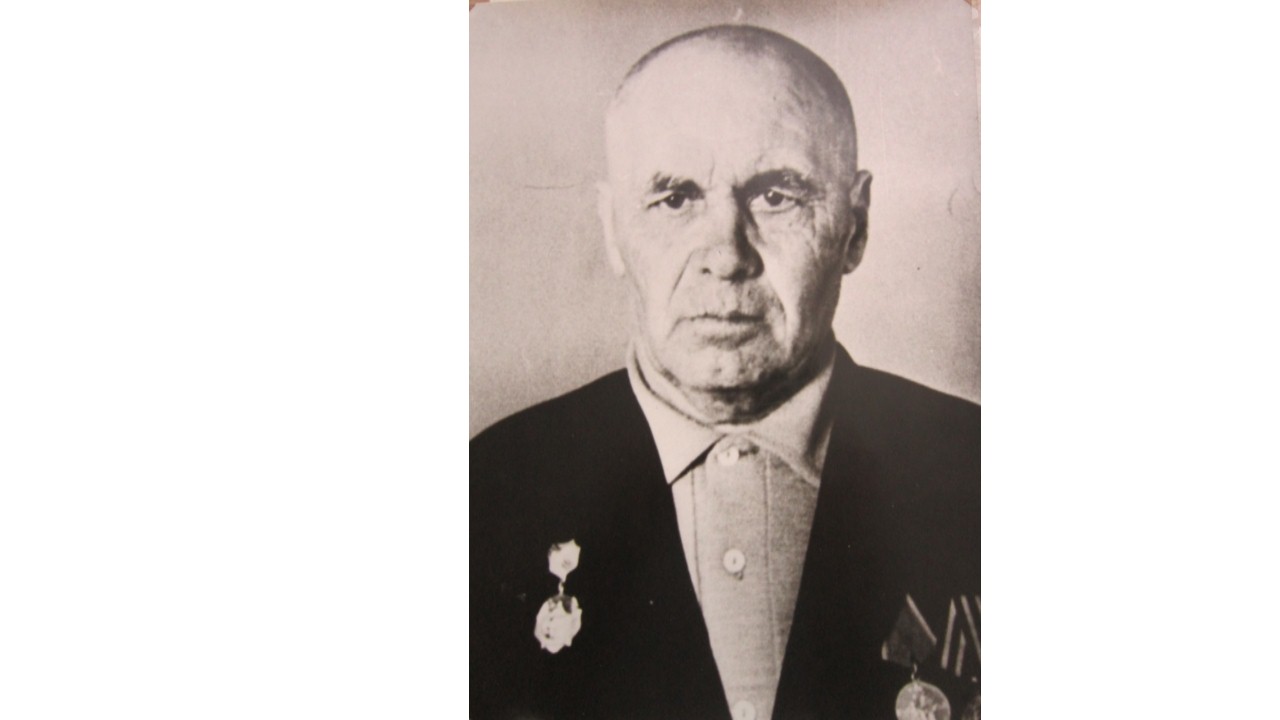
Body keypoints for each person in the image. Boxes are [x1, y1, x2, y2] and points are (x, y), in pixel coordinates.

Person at [471, 24, 979, 720]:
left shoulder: (978, 469)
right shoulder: (484, 495)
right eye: (676, 197)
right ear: (613, 227)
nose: (727, 256)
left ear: (855, 225)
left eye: (776, 196)